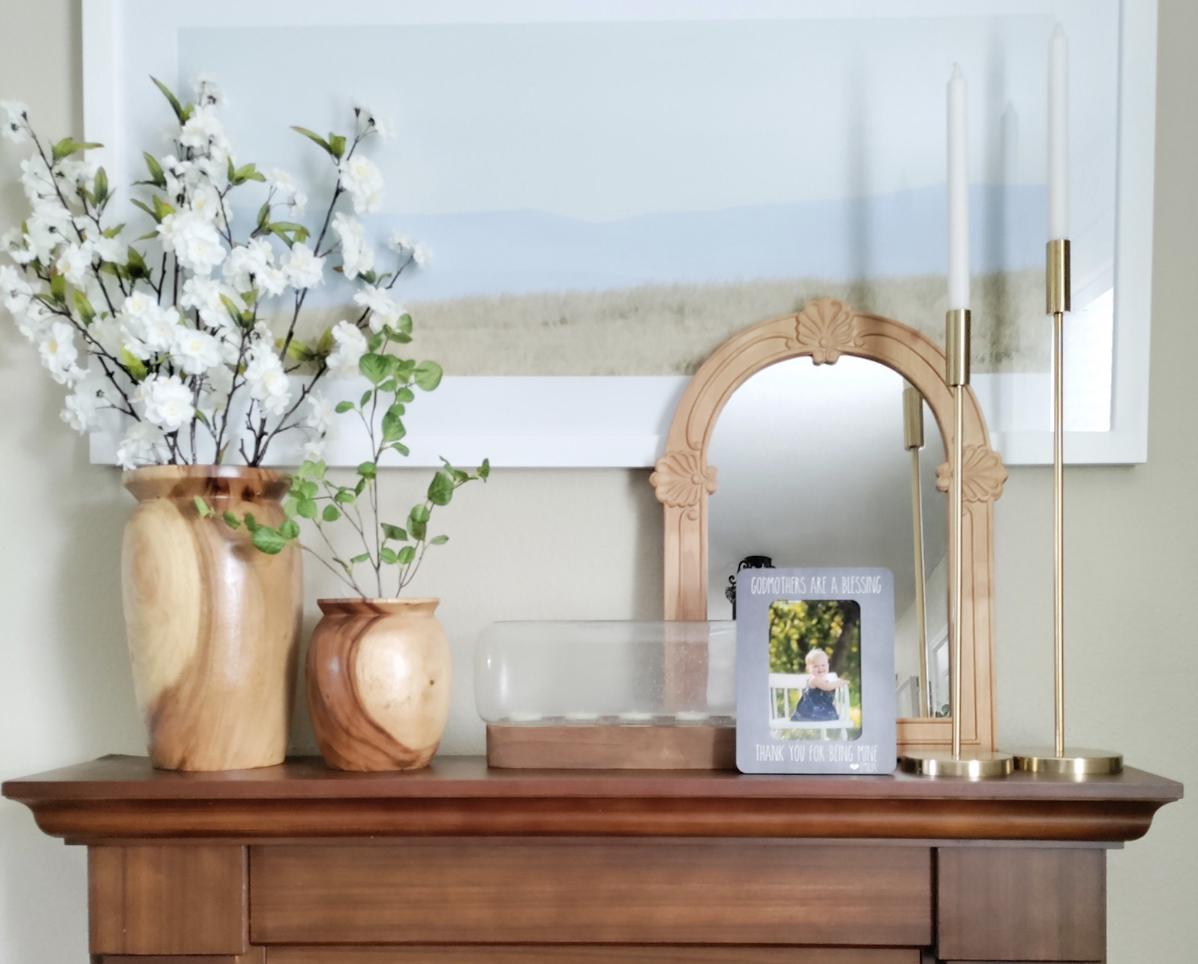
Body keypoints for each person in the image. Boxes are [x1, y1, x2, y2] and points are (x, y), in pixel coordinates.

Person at [790, 648, 848, 722]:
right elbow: (827, 687)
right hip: (810, 712)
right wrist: (839, 682)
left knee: (831, 716)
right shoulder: (814, 680)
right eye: (815, 666)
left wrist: (835, 682)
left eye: (823, 665)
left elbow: (828, 686)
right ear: (808, 669)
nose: (820, 668)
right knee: (828, 716)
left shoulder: (825, 680)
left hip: (823, 711)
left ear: (828, 665)